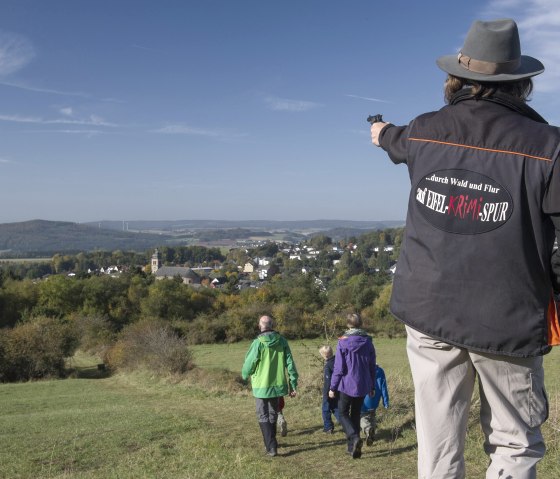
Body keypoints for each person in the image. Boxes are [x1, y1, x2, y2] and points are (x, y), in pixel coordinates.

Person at [370, 18, 560, 478]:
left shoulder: (424, 130)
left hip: (428, 309)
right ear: (520, 83)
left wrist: (377, 132)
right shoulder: (549, 146)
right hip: (507, 317)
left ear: (457, 76)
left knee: (436, 445)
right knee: (513, 443)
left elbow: (392, 140)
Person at [241, 315, 298, 457]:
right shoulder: (282, 341)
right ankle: (272, 443)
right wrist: (293, 383)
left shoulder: (257, 343)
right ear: (271, 325)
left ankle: (271, 447)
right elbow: (290, 363)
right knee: (273, 413)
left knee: (262, 414)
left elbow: (249, 363)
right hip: (277, 385)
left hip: (261, 385)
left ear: (260, 326)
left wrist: (244, 375)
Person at [329, 313, 376, 459]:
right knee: (355, 413)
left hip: (346, 384)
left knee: (342, 412)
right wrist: (372, 385)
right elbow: (372, 365)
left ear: (348, 324)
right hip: (362, 384)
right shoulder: (368, 342)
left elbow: (339, 367)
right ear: (360, 324)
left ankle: (354, 438)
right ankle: (353, 449)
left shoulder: (342, 342)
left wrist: (332, 387)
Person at [360, 364, 389, 446]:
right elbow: (384, 387)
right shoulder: (380, 371)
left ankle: (368, 430)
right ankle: (371, 435)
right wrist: (385, 402)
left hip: (364, 401)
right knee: (372, 417)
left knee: (363, 419)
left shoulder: (362, 371)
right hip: (375, 401)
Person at [319, 345, 340, 433]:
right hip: (339, 389)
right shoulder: (338, 361)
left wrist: (326, 392)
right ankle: (346, 422)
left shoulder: (328, 366)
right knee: (336, 408)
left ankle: (328, 427)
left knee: (325, 408)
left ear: (325, 356)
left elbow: (328, 381)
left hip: (330, 391)